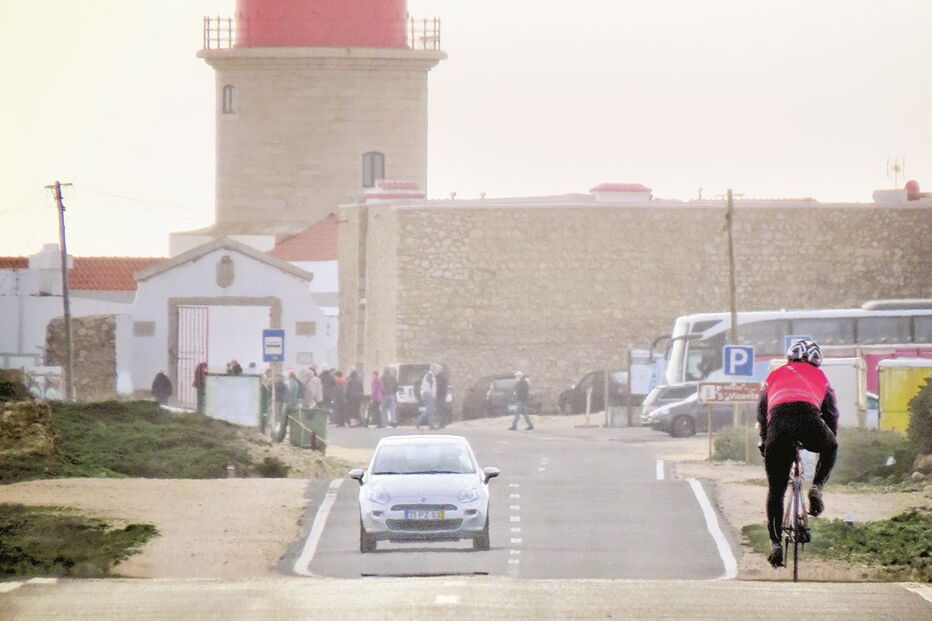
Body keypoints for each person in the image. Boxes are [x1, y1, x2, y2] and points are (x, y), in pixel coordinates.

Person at [757, 339, 839, 568]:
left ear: (789, 357)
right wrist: (828, 438)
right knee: (831, 446)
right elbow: (832, 413)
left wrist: (765, 441)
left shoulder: (773, 376)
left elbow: (762, 412)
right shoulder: (821, 378)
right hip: (808, 419)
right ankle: (816, 488)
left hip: (778, 425)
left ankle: (775, 544)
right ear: (816, 361)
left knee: (776, 490)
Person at [416, 363, 440, 430]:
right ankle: (430, 425)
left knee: (429, 410)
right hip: (428, 395)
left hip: (427, 394)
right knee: (430, 410)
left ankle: (419, 423)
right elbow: (428, 386)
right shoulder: (430, 375)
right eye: (437, 370)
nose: (438, 371)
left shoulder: (431, 375)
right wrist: (431, 394)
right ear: (434, 369)